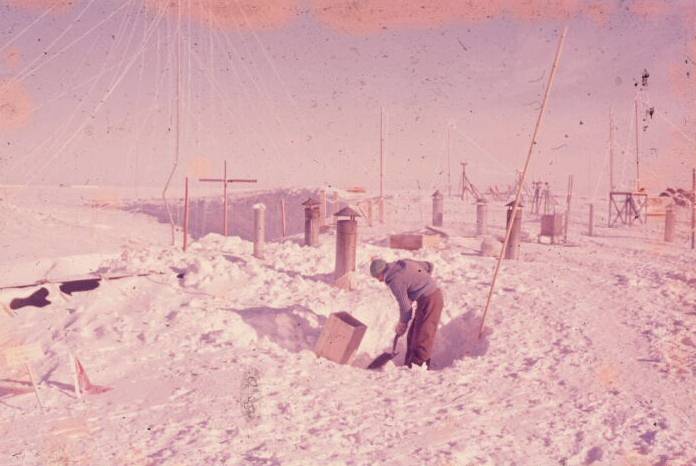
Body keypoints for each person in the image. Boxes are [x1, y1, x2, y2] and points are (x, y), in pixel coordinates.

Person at [369, 258, 444, 370]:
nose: (379, 281)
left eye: (377, 278)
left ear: (381, 273)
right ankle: (409, 366)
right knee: (412, 334)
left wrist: (402, 324)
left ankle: (418, 369)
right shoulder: (403, 263)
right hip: (426, 298)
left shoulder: (395, 281)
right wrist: (418, 285)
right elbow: (428, 266)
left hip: (431, 300)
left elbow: (405, 307)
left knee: (422, 337)